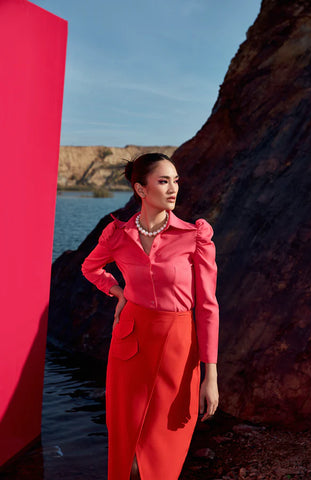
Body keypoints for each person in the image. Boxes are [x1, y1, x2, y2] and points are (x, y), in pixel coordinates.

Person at [81, 153, 219, 480]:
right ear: (141, 190)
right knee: (127, 456)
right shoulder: (118, 235)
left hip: (178, 353)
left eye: (175, 181)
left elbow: (208, 307)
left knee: (159, 459)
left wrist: (210, 374)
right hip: (129, 351)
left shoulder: (193, 237)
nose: (173, 189)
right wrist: (118, 291)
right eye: (163, 181)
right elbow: (90, 268)